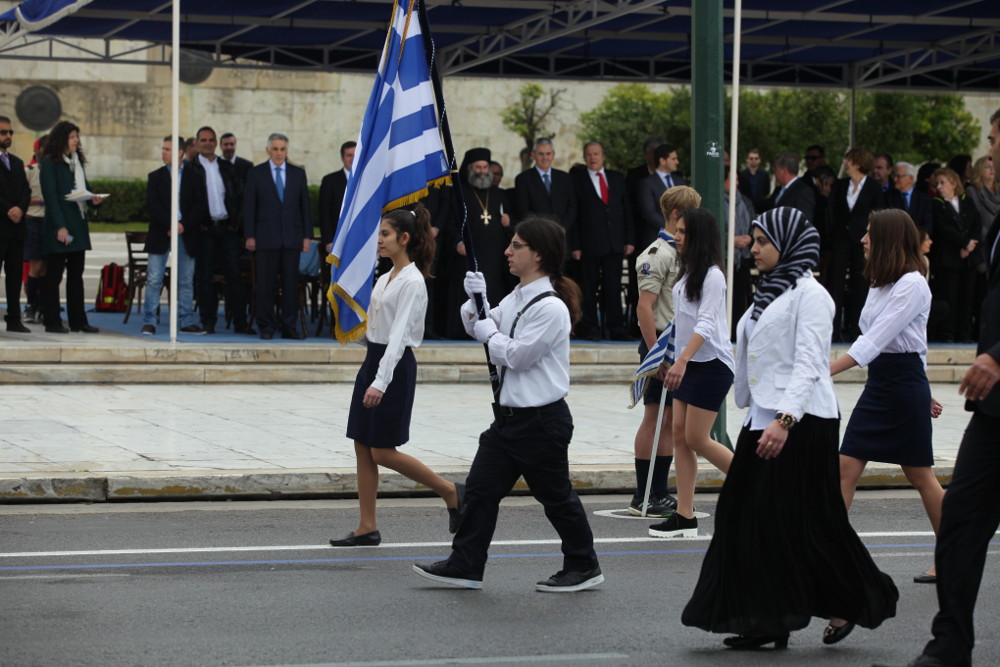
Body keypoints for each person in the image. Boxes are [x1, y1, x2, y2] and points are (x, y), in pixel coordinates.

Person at [682, 206, 898, 651]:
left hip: (800, 423)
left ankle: (849, 600)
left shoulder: (811, 296)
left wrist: (784, 421)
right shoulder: (767, 295)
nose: (754, 248)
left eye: (762, 241)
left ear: (788, 244)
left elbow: (809, 365)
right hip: (762, 419)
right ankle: (768, 618)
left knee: (805, 522)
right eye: (754, 241)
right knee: (746, 519)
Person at [413, 217, 603, 592]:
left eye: (516, 245)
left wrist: (489, 333)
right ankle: (465, 564)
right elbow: (478, 325)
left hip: (541, 421)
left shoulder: (551, 308)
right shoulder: (518, 296)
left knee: (556, 498)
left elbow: (517, 355)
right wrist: (476, 301)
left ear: (538, 254)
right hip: (509, 420)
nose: (507, 251)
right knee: (481, 491)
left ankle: (584, 564)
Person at [882, 103, 1000, 667]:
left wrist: (997, 356)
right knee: (960, 523)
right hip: (995, 407)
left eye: (996, 139)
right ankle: (949, 646)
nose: (991, 150)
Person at [331, 205, 463, 547]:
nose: (379, 240)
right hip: (373, 360)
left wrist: (380, 381)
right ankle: (366, 526)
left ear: (404, 239)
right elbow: (375, 330)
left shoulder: (413, 281)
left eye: (385, 234)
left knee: (382, 451)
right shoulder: (384, 277)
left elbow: (400, 336)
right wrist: (349, 330)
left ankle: (451, 492)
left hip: (394, 366)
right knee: (362, 446)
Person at [831, 208, 944, 586]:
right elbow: (888, 339)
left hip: (902, 383)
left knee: (920, 475)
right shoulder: (880, 282)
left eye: (869, 234)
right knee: (845, 467)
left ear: (888, 239)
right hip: (882, 384)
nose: (863, 239)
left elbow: (877, 340)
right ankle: (826, 550)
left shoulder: (913, 283)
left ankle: (951, 556)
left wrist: (822, 371)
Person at [649, 207, 735, 539]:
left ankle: (757, 486)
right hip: (689, 363)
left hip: (711, 365)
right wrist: (666, 356)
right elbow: (681, 324)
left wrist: (682, 361)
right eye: (677, 230)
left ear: (698, 235)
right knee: (680, 437)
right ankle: (685, 516)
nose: (677, 236)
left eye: (683, 231)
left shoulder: (713, 275)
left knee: (697, 438)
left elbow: (706, 324)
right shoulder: (687, 273)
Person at [629, 185, 701, 517]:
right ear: (676, 215)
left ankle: (659, 489)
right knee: (655, 415)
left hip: (680, 343)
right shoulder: (658, 254)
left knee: (671, 419)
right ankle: (644, 492)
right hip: (660, 341)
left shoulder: (683, 252)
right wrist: (653, 351)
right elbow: (646, 307)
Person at [243, 132, 312, 340]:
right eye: (275, 149)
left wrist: (307, 236)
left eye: (282, 149)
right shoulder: (256, 173)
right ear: (268, 150)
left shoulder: (298, 173)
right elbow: (249, 207)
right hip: (265, 238)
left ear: (287, 150)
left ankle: (289, 326)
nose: (279, 153)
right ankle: (266, 325)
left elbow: (305, 207)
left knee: (290, 284)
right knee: (265, 284)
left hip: (292, 238)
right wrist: (250, 235)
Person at [39, 120, 103, 334]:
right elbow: (51, 196)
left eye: (77, 136)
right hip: (61, 225)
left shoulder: (77, 161)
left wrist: (93, 197)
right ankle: (52, 321)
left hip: (78, 223)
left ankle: (78, 321)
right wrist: (60, 226)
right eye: (73, 137)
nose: (77, 140)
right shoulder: (50, 162)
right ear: (62, 139)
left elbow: (82, 186)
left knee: (76, 275)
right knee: (54, 275)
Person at [189, 126, 253, 335]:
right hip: (205, 231)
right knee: (205, 278)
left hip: (227, 230)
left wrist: (236, 224)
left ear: (215, 143)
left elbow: (240, 197)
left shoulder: (226, 167)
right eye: (203, 140)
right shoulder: (190, 169)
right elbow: (186, 201)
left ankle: (240, 323)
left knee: (234, 277)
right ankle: (208, 322)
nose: (207, 143)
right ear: (197, 143)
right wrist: (197, 223)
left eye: (211, 140)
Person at [445, 147, 512, 338]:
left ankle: (492, 329)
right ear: (470, 168)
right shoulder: (459, 193)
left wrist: (509, 222)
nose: (482, 171)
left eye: (485, 167)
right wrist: (458, 242)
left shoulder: (499, 195)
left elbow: (510, 225)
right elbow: (450, 222)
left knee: (494, 289)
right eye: (478, 167)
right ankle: (461, 331)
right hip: (468, 253)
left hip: (495, 254)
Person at [570, 140, 634, 340]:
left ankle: (615, 327)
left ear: (603, 156)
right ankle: (590, 327)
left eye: (596, 154)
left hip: (614, 243)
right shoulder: (577, 180)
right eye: (589, 154)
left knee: (612, 286)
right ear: (584, 157)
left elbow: (626, 210)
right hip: (588, 244)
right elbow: (574, 214)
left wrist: (629, 239)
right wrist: (575, 245)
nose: (593, 157)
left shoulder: (616, 178)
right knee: (588, 288)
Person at [142, 135, 206, 335]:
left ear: (180, 152)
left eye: (167, 149)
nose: (163, 152)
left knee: (186, 280)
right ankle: (150, 321)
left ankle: (186, 320)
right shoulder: (156, 176)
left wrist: (183, 225)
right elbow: (152, 206)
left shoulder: (194, 176)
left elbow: (200, 205)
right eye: (162, 148)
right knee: (154, 279)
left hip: (186, 233)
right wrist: (168, 224)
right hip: (162, 233)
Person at [828, 147, 885, 341]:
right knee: (836, 283)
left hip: (862, 240)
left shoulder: (873, 187)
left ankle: (856, 329)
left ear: (858, 162)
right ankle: (834, 331)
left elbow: (878, 213)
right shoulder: (841, 184)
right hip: (841, 240)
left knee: (860, 283)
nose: (846, 163)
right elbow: (833, 211)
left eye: (849, 160)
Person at [929, 167, 981, 343]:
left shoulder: (966, 200)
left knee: (967, 297)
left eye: (943, 182)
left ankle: (964, 333)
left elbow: (976, 223)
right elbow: (944, 228)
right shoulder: (937, 203)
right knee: (949, 296)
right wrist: (963, 243)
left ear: (953, 183)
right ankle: (948, 334)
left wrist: (970, 243)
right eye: (937, 183)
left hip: (969, 257)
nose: (939, 186)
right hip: (949, 258)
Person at [0, 115, 31, 333]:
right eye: (3, 132)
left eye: (10, 132)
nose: (8, 136)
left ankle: (14, 318)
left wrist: (20, 208)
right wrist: (8, 210)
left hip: (16, 230)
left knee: (14, 277)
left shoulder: (18, 163)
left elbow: (26, 192)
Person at [636, 143, 688, 251]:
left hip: (681, 239)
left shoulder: (680, 181)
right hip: (657, 238)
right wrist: (671, 228)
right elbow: (649, 213)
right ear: (662, 161)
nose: (677, 162)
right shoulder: (646, 183)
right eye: (673, 159)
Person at [22, 136, 47, 324]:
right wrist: (40, 201)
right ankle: (31, 305)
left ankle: (43, 305)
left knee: (47, 268)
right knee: (35, 267)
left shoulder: (56, 172)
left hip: (50, 224)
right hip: (34, 221)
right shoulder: (29, 171)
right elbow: (20, 199)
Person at [318, 140, 355, 253]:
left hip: (362, 239)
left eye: (355, 155)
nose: (352, 159)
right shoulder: (330, 181)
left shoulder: (368, 180)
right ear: (342, 158)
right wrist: (329, 240)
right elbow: (324, 213)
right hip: (337, 240)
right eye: (349, 155)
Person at [763, 152, 815, 221]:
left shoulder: (803, 192)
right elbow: (765, 206)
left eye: (776, 169)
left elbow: (803, 222)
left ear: (784, 171)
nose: (774, 172)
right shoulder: (778, 190)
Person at [885, 162, 933, 233]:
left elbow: (928, 224)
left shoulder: (924, 199)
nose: (895, 179)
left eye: (898, 176)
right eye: (894, 176)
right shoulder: (887, 197)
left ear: (910, 178)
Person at [738, 148, 770, 213]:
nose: (754, 160)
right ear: (747, 160)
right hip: (745, 206)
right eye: (751, 158)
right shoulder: (742, 174)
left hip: (761, 207)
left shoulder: (764, 175)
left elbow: (767, 190)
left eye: (756, 158)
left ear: (759, 160)